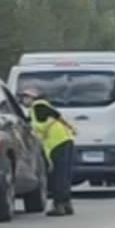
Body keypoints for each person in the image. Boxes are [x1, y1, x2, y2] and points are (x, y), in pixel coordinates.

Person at [20, 87, 75, 216]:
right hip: (65, 140)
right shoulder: (41, 108)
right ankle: (66, 203)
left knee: (58, 175)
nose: (24, 100)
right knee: (64, 174)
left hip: (57, 142)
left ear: (33, 98)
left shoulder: (38, 106)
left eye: (26, 97)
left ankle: (59, 205)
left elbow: (45, 122)